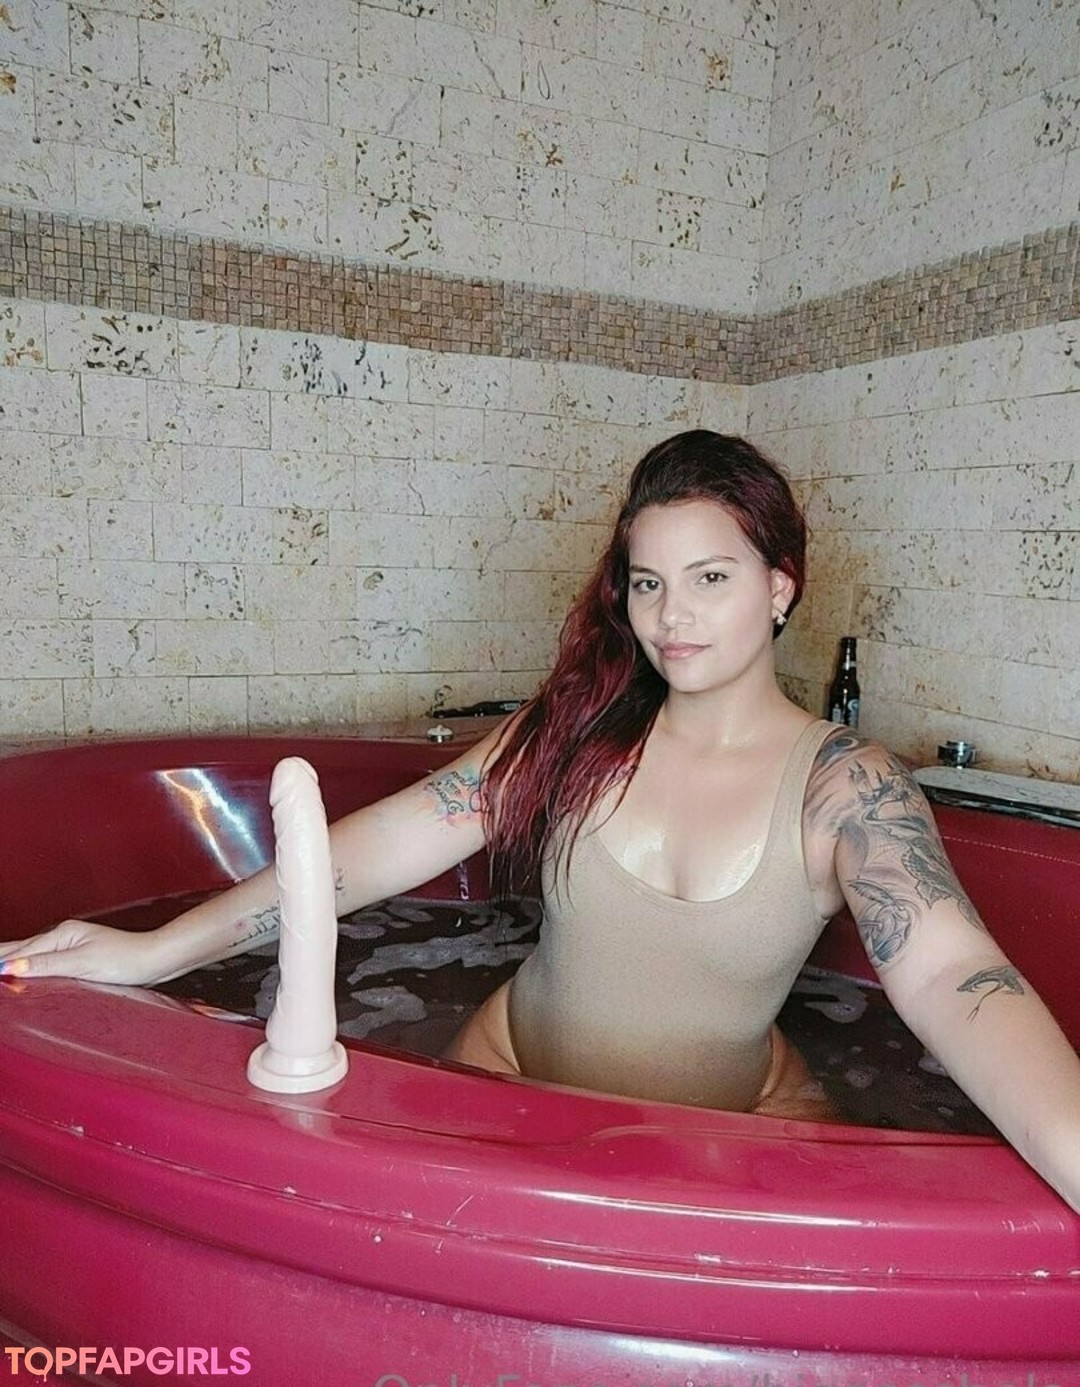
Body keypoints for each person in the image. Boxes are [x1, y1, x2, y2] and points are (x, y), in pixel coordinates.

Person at [2, 431, 1078, 1212]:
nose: (673, 616)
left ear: (780, 586)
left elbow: (954, 973)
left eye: (710, 577)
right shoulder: (576, 732)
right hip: (508, 1075)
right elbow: (370, 853)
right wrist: (156, 951)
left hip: (737, 1121)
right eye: (648, 583)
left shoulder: (845, 787)